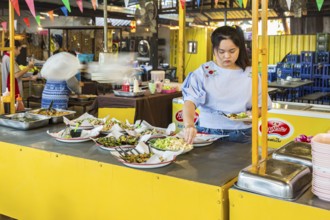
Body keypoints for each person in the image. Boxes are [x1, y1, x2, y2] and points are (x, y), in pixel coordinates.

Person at [182, 25, 272, 144]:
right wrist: (189, 125)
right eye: (221, 51)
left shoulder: (251, 74)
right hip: (207, 132)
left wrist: (253, 114)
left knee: (243, 163)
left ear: (239, 49)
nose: (227, 56)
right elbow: (190, 101)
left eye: (232, 51)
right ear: (214, 50)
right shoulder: (204, 71)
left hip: (241, 133)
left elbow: (263, 104)